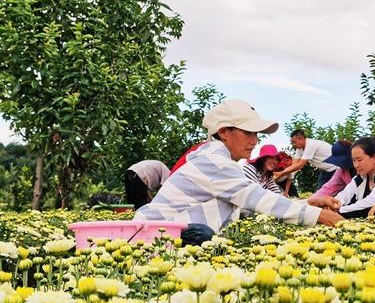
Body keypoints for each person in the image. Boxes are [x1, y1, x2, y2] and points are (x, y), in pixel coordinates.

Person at [134, 99, 344, 245]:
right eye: (248, 132)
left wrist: (308, 203)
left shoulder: (222, 163)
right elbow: (257, 198)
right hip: (151, 235)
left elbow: (254, 205)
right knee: (203, 235)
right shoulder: (214, 162)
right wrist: (317, 215)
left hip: (160, 232)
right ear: (224, 132)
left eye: (256, 134)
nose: (254, 140)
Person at [309, 137, 375, 218]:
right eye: (353, 160)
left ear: (374, 158)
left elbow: (372, 202)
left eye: (359, 160)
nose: (356, 165)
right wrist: (333, 204)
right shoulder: (361, 176)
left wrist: (338, 211)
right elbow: (345, 195)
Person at [273, 129, 338, 190]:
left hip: (336, 169)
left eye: (294, 142)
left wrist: (281, 173)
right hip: (325, 171)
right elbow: (294, 166)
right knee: (319, 195)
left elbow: (300, 165)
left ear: (301, 139)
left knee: (335, 193)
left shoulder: (311, 145)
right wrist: (281, 173)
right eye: (292, 143)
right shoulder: (299, 149)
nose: (293, 145)